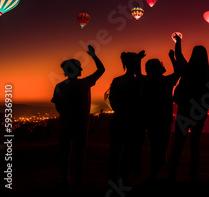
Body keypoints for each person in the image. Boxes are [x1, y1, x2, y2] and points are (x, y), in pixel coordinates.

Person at [51, 45, 105, 187]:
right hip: (81, 124)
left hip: (65, 123)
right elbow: (101, 70)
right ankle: (78, 178)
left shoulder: (59, 86)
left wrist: (65, 115)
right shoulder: (84, 83)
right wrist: (93, 56)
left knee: (64, 152)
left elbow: (57, 105)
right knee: (79, 152)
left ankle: (65, 177)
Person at [140, 34, 184, 182]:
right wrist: (172, 57)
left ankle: (154, 173)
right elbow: (178, 72)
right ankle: (156, 174)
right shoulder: (166, 82)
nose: (162, 65)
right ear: (158, 69)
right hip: (164, 120)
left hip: (150, 119)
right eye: (160, 64)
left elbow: (137, 74)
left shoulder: (145, 81)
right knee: (163, 147)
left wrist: (139, 60)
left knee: (154, 147)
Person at [168, 44, 209, 182]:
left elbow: (180, 57)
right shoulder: (206, 74)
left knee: (178, 146)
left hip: (184, 111)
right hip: (197, 114)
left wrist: (178, 43)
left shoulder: (187, 70)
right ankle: (192, 178)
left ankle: (171, 176)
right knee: (195, 146)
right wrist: (204, 111)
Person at [108, 50, 145, 184]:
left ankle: (112, 179)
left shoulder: (117, 81)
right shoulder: (138, 82)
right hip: (134, 121)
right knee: (130, 151)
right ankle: (125, 179)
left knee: (115, 151)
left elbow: (112, 101)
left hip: (119, 119)